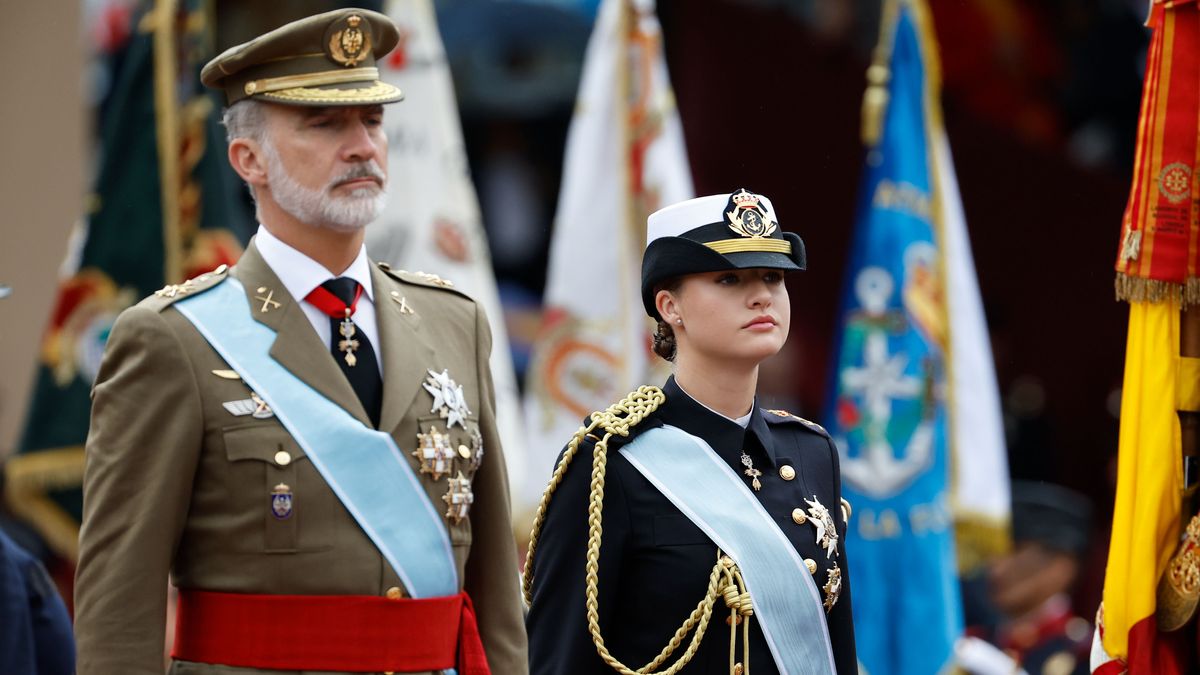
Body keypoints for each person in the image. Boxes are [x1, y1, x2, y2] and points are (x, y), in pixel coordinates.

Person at [73, 8, 527, 675]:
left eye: (372, 120)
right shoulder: (173, 341)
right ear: (247, 157)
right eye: (325, 123)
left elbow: (494, 595)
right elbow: (119, 606)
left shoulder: (454, 321)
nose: (362, 145)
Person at [524, 189, 857, 674]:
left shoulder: (812, 453)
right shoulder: (609, 465)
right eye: (730, 278)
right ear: (669, 307)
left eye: (772, 276)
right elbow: (560, 659)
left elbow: (836, 651)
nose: (762, 294)